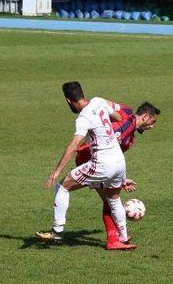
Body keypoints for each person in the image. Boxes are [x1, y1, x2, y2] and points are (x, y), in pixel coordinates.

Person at [36, 82, 134, 250]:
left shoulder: (83, 118)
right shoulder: (99, 101)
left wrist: (56, 171)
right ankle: (123, 239)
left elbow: (74, 146)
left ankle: (57, 231)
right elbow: (118, 117)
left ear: (68, 100)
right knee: (113, 198)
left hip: (102, 163)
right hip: (119, 161)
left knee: (62, 186)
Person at [75, 101, 161, 250]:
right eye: (152, 122)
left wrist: (120, 179)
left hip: (103, 163)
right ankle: (115, 239)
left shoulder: (130, 140)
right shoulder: (124, 111)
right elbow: (101, 103)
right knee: (110, 200)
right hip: (87, 158)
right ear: (145, 117)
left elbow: (114, 159)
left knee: (111, 199)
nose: (152, 126)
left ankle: (118, 237)